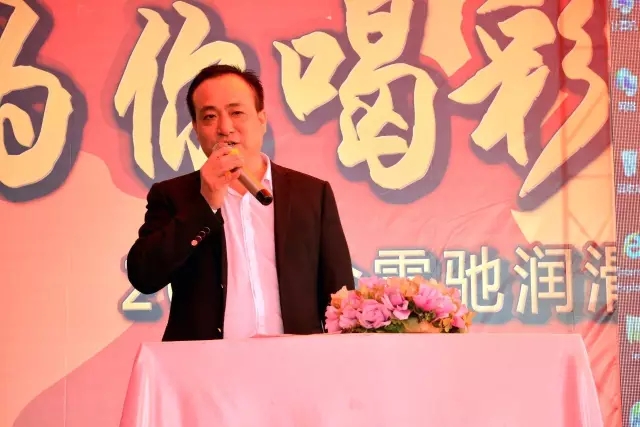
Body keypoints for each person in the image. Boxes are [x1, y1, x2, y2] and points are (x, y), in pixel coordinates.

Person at [126, 64, 354, 341]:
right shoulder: (173, 195)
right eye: (209, 117)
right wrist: (204, 204)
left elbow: (340, 297)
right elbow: (144, 276)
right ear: (196, 129)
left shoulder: (311, 194)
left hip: (295, 359)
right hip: (204, 361)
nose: (225, 128)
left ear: (261, 119)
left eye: (236, 113)